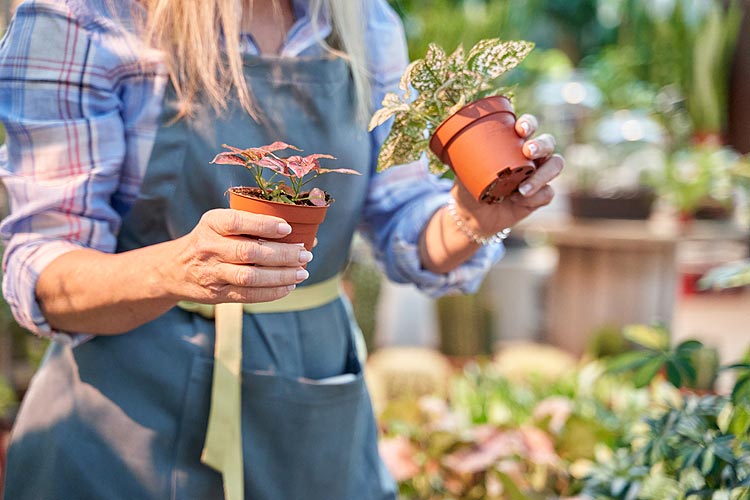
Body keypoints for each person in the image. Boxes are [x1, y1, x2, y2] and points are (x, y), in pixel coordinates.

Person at [0, 0, 564, 498]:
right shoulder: (85, 16)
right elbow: (47, 271)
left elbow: (403, 216)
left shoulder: (362, 21)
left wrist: (471, 216)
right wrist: (176, 270)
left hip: (309, 403)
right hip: (127, 422)